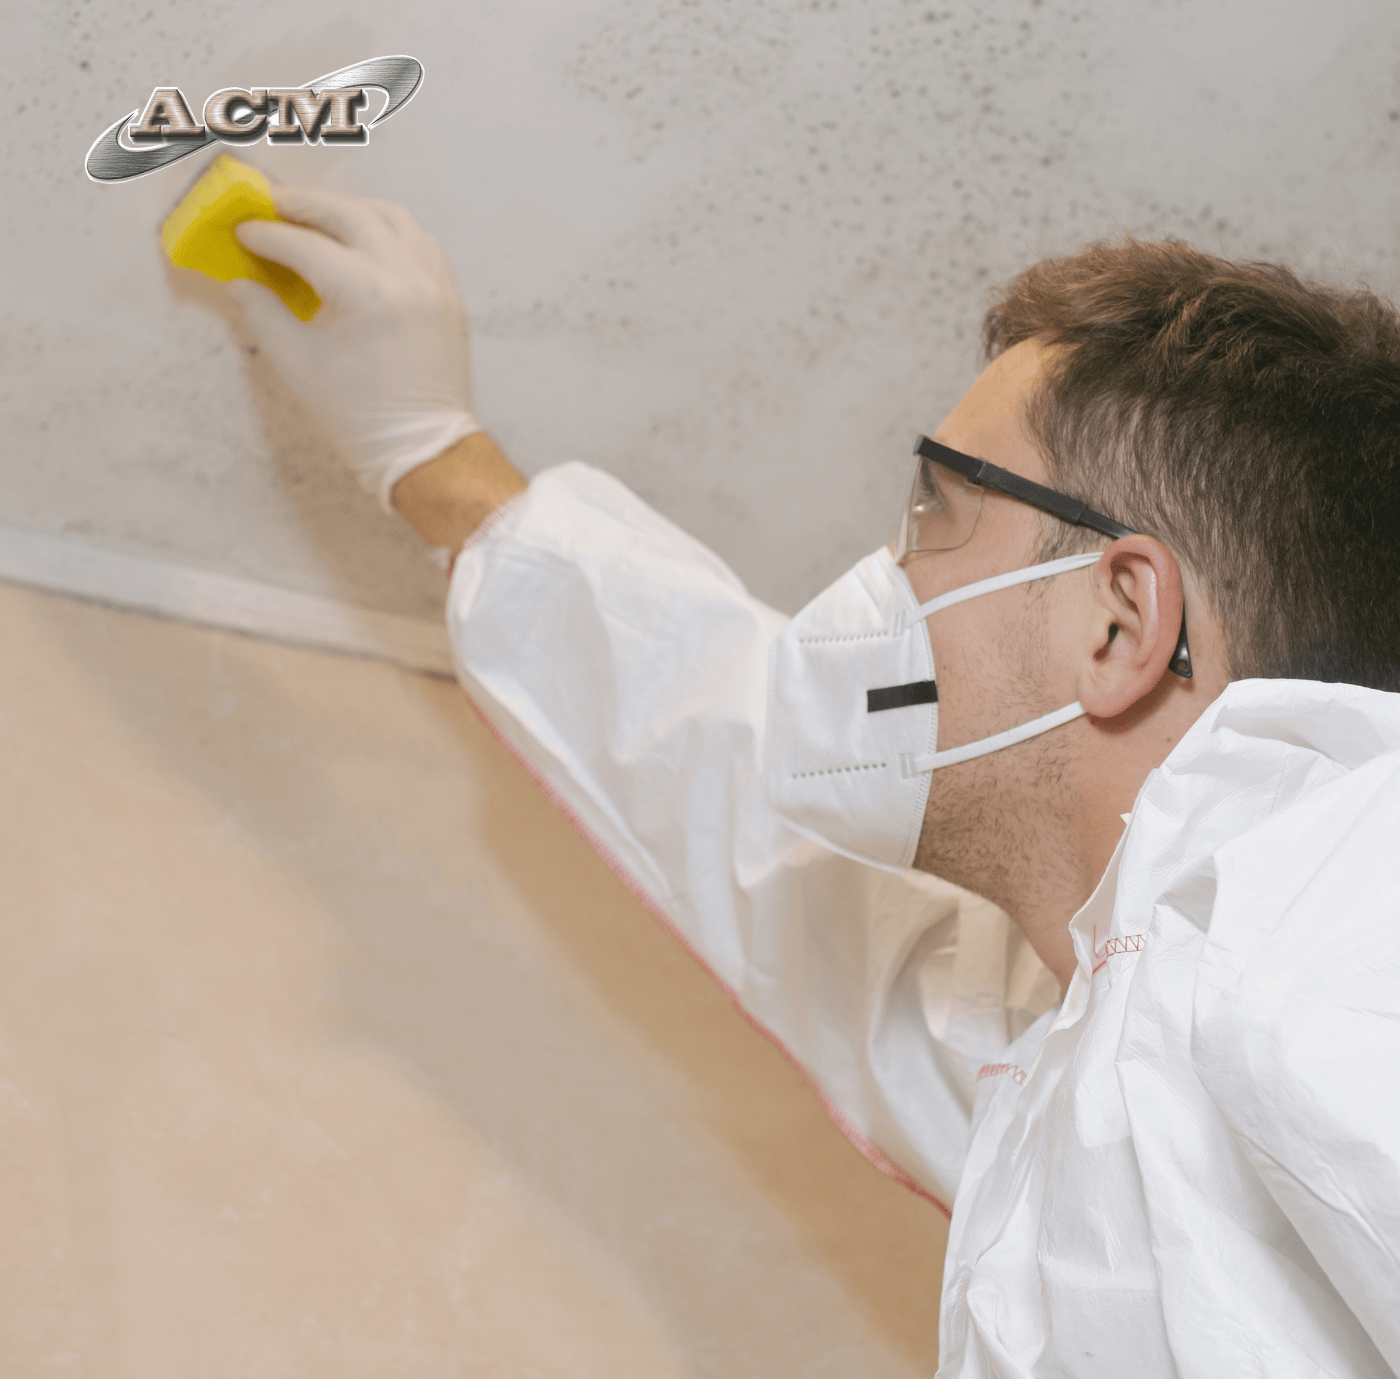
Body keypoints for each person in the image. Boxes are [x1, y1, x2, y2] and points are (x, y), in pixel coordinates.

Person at [224, 187, 1400, 1377]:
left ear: (1115, 624)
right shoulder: (1083, 1056)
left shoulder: (1341, 899)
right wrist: (436, 458)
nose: (884, 581)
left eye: (934, 514)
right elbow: (755, 809)